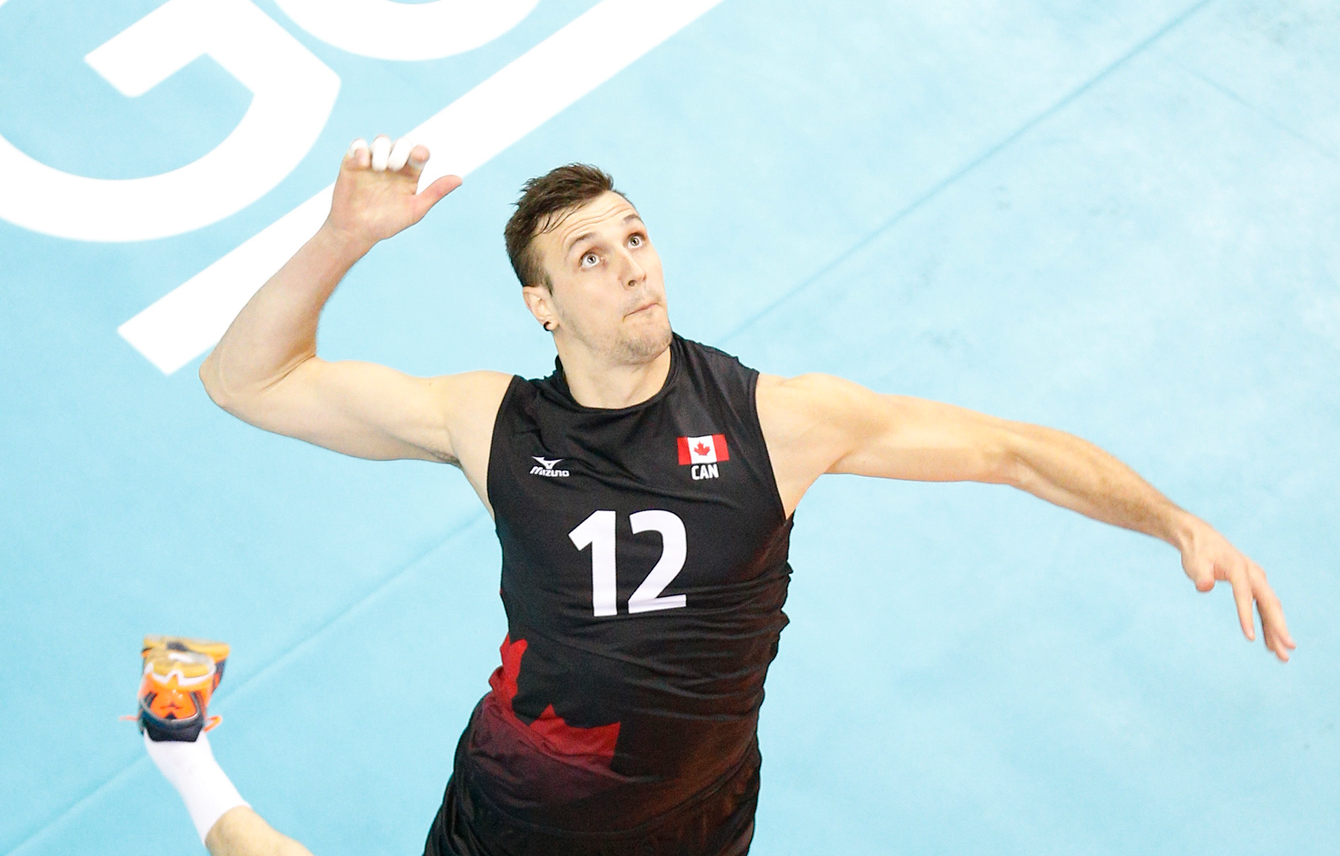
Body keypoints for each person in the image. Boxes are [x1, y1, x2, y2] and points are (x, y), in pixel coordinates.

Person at [137, 133, 1295, 856]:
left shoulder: (770, 421)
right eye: (590, 255)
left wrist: (1172, 519)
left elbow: (1008, 450)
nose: (631, 262)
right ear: (540, 304)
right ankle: (181, 750)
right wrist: (340, 237)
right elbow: (249, 380)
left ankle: (178, 745)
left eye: (634, 235)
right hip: (522, 819)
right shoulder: (491, 423)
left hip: (697, 822)